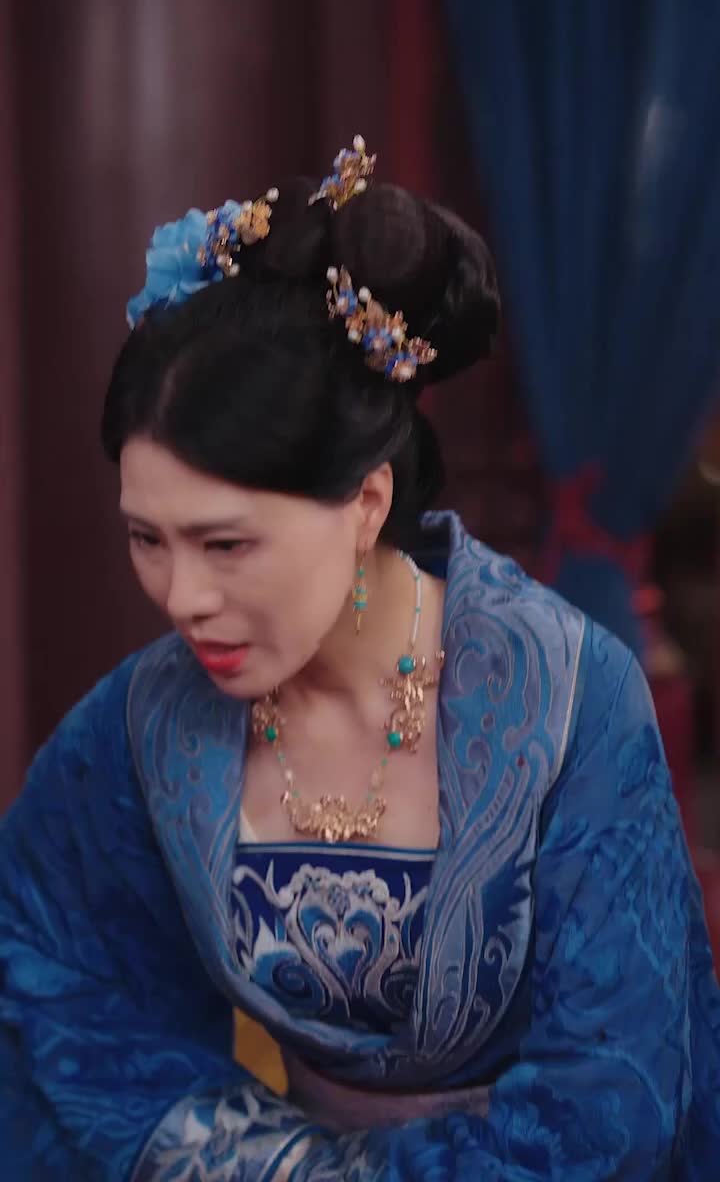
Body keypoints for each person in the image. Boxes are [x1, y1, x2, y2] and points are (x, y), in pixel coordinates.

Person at [1, 139, 718, 1182]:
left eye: (226, 544)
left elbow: (617, 1089)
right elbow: (56, 980)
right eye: (147, 538)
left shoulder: (568, 700)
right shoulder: (146, 723)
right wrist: (277, 1162)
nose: (181, 595)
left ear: (368, 501)